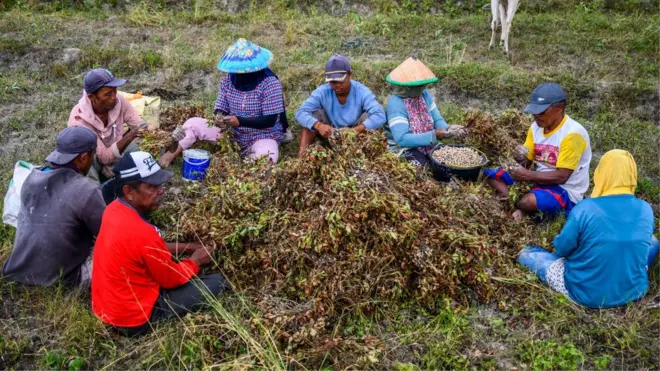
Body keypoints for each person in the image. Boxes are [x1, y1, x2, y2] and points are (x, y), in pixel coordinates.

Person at [91, 151, 227, 337]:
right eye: (152, 186)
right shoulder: (143, 233)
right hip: (133, 320)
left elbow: (148, 248)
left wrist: (188, 246)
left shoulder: (113, 210)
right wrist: (195, 260)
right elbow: (171, 279)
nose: (161, 190)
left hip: (107, 308)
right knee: (216, 282)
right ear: (129, 192)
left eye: (160, 184)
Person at [517, 150, 658, 308]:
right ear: (632, 175)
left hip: (586, 293)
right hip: (631, 291)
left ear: (601, 173)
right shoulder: (646, 209)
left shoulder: (585, 208)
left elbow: (562, 248)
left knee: (527, 253)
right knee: (653, 241)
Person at [2, 127, 105, 288]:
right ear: (83, 158)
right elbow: (106, 233)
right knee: (118, 253)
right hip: (59, 280)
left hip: (17, 274)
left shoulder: (31, 178)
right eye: (93, 155)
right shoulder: (86, 189)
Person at [484, 83, 591, 220]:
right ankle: (516, 203)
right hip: (537, 179)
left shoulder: (572, 134)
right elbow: (526, 162)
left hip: (563, 189)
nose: (536, 116)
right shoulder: (536, 127)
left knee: (528, 201)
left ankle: (518, 204)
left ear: (559, 109)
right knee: (489, 174)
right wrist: (520, 156)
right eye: (535, 111)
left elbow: (562, 177)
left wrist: (527, 175)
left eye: (542, 112)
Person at [214, 38, 289, 164]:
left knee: (267, 157)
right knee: (193, 125)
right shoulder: (229, 79)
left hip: (262, 135)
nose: (239, 75)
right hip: (232, 132)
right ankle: (168, 157)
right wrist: (219, 117)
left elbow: (269, 120)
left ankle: (245, 166)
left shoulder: (270, 83)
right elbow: (221, 105)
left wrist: (240, 121)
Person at [295, 54, 386, 156]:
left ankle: (366, 154)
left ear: (350, 74)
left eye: (340, 80)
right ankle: (302, 156)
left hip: (357, 135)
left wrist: (354, 131)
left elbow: (380, 115)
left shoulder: (362, 91)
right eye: (333, 81)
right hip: (329, 133)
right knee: (311, 116)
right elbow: (300, 112)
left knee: (370, 117)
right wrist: (319, 126)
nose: (337, 85)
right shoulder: (323, 91)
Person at [68, 68, 147, 182]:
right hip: (92, 163)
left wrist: (164, 137)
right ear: (92, 97)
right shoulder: (79, 121)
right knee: (83, 154)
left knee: (139, 145)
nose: (114, 97)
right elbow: (104, 157)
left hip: (115, 154)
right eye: (108, 94)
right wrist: (129, 135)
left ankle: (120, 177)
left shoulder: (118, 101)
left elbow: (139, 125)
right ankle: (95, 190)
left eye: (115, 90)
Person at [384, 56, 466, 166]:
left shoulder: (424, 95)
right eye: (420, 86)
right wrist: (433, 136)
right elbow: (402, 139)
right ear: (408, 87)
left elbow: (437, 119)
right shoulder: (396, 104)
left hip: (428, 143)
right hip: (405, 148)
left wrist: (448, 129)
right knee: (422, 166)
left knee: (449, 159)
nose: (423, 88)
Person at [158, 117, 224, 168]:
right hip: (218, 128)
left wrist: (171, 155)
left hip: (218, 134)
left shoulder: (188, 128)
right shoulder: (189, 123)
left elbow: (187, 140)